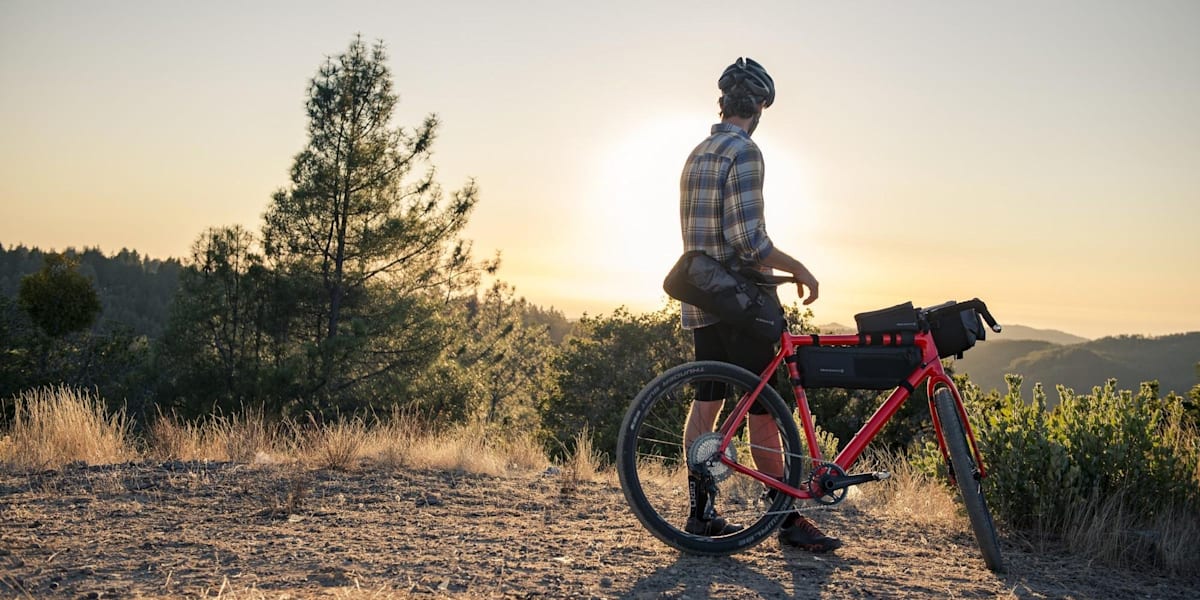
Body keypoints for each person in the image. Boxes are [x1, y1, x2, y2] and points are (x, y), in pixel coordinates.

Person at [678, 57, 842, 553]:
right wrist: (799, 269)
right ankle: (787, 520)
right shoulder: (745, 153)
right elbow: (749, 242)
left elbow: (707, 237)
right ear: (761, 109)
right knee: (765, 411)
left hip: (702, 296)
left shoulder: (697, 153)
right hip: (741, 304)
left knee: (708, 400)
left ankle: (701, 515)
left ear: (721, 103)